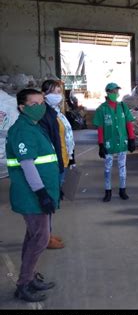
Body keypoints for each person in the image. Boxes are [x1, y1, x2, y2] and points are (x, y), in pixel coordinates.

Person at [6, 88, 59, 302]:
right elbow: (27, 165)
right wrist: (42, 194)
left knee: (33, 237)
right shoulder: (22, 130)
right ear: (22, 107)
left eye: (42, 103)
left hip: (39, 192)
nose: (40, 107)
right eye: (34, 104)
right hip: (31, 195)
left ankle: (29, 278)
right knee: (41, 238)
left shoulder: (33, 126)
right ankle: (23, 284)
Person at [40, 80, 76, 249]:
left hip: (62, 160)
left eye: (59, 91)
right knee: (48, 201)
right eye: (54, 91)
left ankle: (47, 233)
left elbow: (65, 136)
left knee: (53, 200)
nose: (58, 95)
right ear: (44, 94)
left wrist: (71, 157)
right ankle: (44, 238)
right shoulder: (45, 115)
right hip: (53, 163)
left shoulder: (56, 112)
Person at [93, 82, 136, 202]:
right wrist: (101, 144)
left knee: (122, 167)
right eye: (113, 91)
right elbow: (100, 128)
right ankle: (108, 191)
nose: (115, 93)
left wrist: (132, 139)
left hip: (122, 142)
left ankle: (123, 189)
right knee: (108, 168)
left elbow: (128, 123)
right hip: (108, 143)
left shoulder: (123, 106)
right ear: (107, 92)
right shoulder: (101, 109)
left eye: (117, 91)